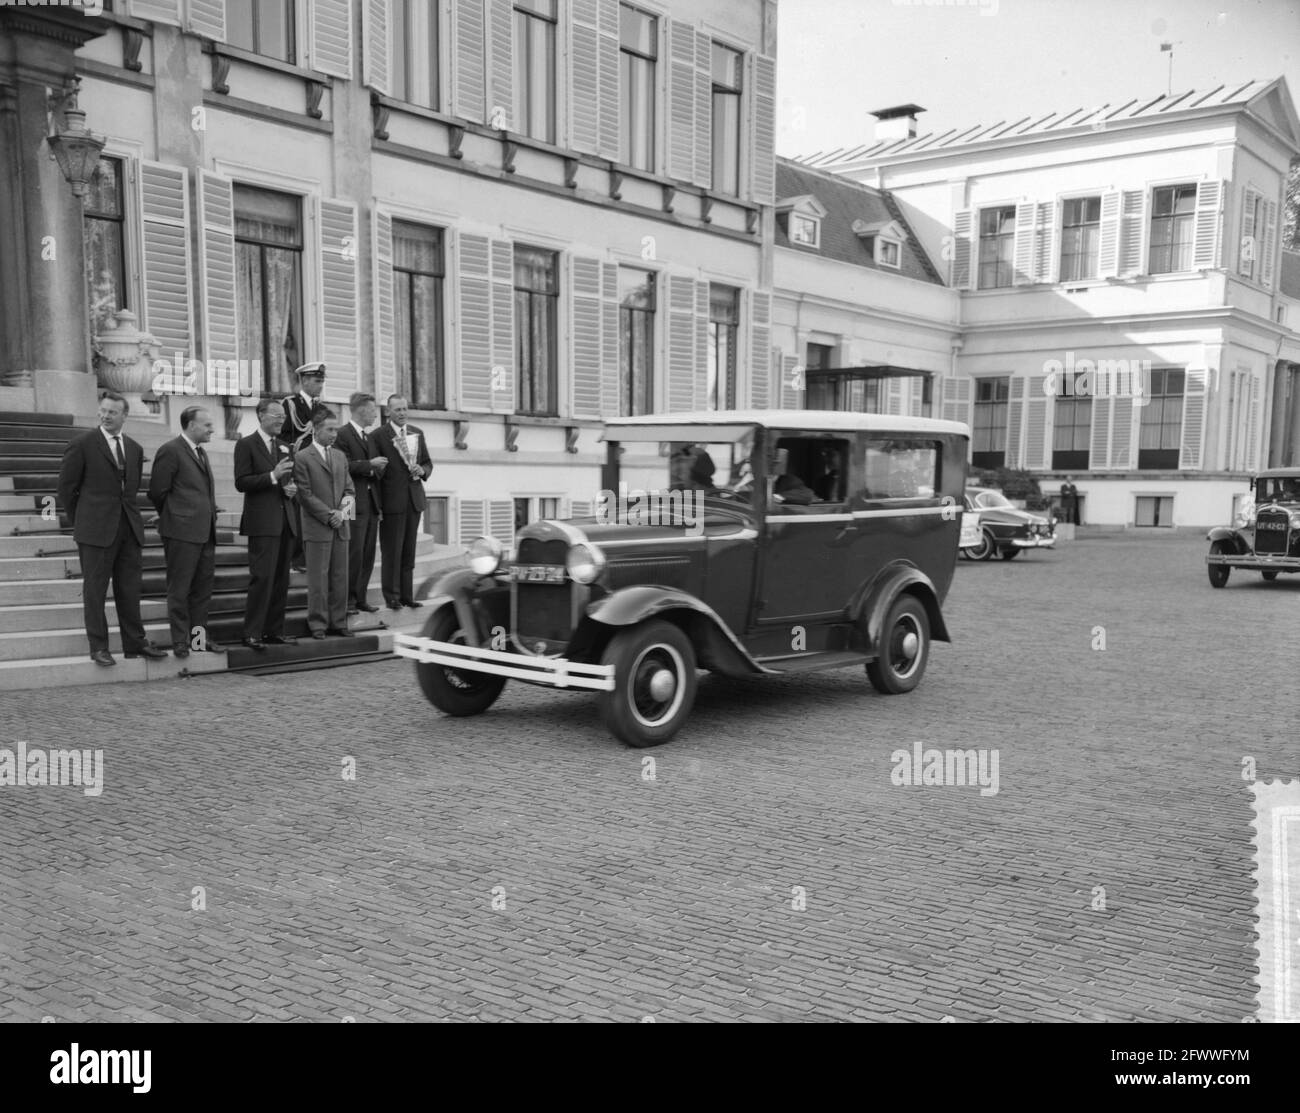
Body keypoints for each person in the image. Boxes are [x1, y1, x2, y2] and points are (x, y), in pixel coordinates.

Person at [55, 391, 167, 666]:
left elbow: (130, 491)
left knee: (129, 590)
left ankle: (135, 644)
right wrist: (84, 520)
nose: (105, 416)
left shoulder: (134, 448)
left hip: (128, 530)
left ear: (124, 416)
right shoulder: (81, 444)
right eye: (103, 411)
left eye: (112, 412)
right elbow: (66, 490)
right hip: (95, 531)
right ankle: (99, 647)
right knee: (95, 591)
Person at [147, 406, 225, 658]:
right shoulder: (170, 451)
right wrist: (174, 516)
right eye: (207, 425)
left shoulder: (200, 452)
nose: (212, 429)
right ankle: (180, 641)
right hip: (181, 532)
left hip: (204, 531)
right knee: (180, 590)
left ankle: (198, 641)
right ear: (191, 426)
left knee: (202, 591)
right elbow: (158, 491)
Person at [233, 397, 300, 650]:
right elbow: (242, 482)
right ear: (261, 415)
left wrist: (289, 488)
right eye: (276, 416)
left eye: (283, 416)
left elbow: (287, 481)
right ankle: (252, 633)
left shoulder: (285, 447)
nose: (281, 420)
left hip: (286, 520)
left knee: (282, 579)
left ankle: (274, 630)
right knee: (262, 578)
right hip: (262, 523)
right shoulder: (246, 445)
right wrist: (273, 476)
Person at [293, 408, 356, 639]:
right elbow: (304, 494)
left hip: (341, 528)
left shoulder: (340, 456)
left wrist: (343, 513)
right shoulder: (302, 457)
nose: (334, 434)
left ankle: (339, 623)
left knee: (340, 578)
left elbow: (350, 489)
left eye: (336, 429)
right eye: (329, 429)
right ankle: (318, 625)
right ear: (316, 429)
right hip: (318, 528)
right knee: (318, 580)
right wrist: (330, 513)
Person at [372, 395, 432, 610]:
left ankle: (407, 595)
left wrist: (422, 470)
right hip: (391, 502)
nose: (402, 413)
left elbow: (427, 463)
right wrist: (377, 505)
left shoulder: (417, 433)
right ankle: (392, 597)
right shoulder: (378, 436)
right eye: (397, 409)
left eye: (405, 409)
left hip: (414, 500)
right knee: (392, 552)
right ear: (388, 412)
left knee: (409, 552)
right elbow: (376, 475)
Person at [335, 392, 387, 614]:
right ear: (361, 410)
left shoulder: (369, 437)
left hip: (371, 503)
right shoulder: (342, 435)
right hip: (349, 500)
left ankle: (360, 598)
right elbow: (341, 465)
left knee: (367, 554)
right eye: (373, 409)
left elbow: (372, 469)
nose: (375, 414)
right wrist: (369, 464)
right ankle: (346, 600)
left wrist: (377, 469)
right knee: (352, 552)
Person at [281, 362, 329, 572]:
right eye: (317, 381)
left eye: (321, 381)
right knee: (299, 514)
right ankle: (297, 559)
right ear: (305, 380)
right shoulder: (289, 404)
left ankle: (312, 556)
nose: (320, 385)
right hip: (297, 464)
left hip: (318, 466)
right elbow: (283, 437)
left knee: (315, 512)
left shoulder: (323, 408)